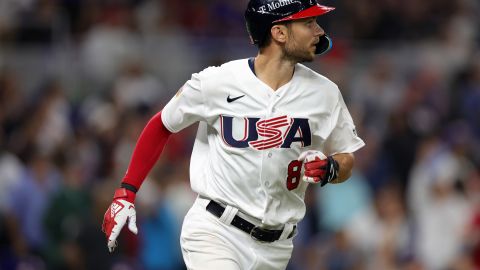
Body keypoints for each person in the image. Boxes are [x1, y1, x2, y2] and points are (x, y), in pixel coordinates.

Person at [102, 0, 365, 269]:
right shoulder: (218, 81)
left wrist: (331, 168)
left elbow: (347, 157)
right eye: (309, 23)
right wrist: (127, 191)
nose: (319, 31)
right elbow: (162, 124)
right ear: (279, 33)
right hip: (216, 231)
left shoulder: (325, 93)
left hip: (277, 246)